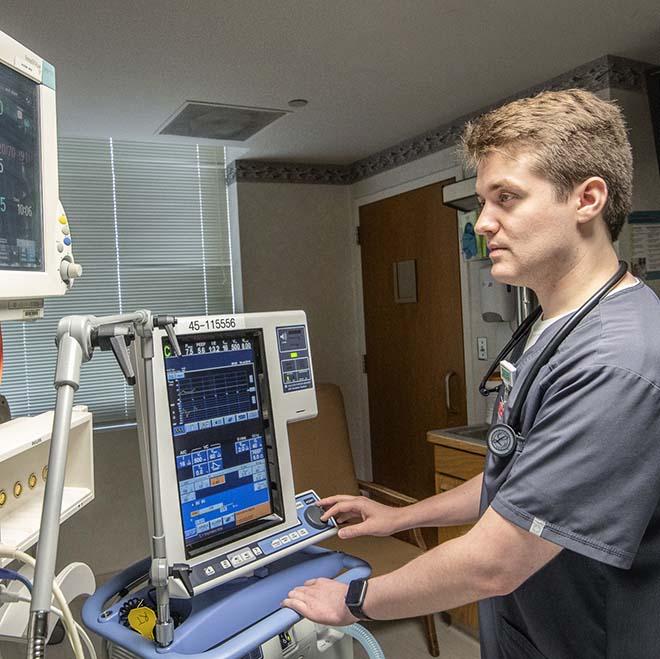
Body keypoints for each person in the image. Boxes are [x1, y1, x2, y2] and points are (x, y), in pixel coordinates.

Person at [282, 88, 660, 658]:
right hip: (530, 630)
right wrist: (402, 516)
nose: (483, 223)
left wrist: (352, 600)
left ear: (587, 199)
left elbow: (494, 562)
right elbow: (517, 484)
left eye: (506, 198)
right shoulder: (553, 324)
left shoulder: (615, 362)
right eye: (483, 201)